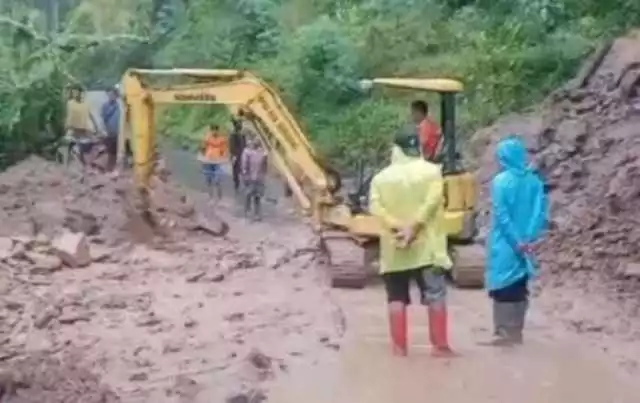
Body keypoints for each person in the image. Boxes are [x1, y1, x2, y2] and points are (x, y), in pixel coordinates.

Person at [369, 132, 454, 357]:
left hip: (395, 248)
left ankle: (399, 349)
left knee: (396, 297)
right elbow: (432, 202)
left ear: (395, 149)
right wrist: (413, 227)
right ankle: (440, 348)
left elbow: (376, 209)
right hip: (428, 248)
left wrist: (398, 228)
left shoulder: (380, 179)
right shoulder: (432, 172)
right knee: (435, 296)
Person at [485, 135, 548, 346]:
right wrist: (529, 238)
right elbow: (540, 212)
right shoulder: (535, 181)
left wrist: (516, 240)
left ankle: (503, 332)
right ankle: (516, 331)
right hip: (527, 243)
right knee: (520, 284)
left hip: (505, 242)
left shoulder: (500, 182)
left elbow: (502, 214)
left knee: (502, 283)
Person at [65, 85, 99, 171]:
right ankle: (68, 166)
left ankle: (86, 165)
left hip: (84, 129)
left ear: (81, 93)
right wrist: (67, 127)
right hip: (73, 129)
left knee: (89, 146)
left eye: (76, 92)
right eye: (73, 92)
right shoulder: (70, 103)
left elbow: (91, 115)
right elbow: (69, 116)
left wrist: (97, 127)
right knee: (71, 147)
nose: (75, 94)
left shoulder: (86, 104)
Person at [241, 137, 268, 221]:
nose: (256, 143)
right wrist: (245, 175)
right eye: (255, 141)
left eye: (258, 141)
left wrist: (263, 178)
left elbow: (265, 167)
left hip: (258, 178)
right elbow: (244, 165)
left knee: (256, 196)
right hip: (251, 177)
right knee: (248, 195)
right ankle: (248, 211)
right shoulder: (247, 152)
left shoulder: (263, 153)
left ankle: (255, 213)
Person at [200, 124, 228, 199]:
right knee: (208, 179)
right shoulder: (207, 138)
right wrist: (203, 160)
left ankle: (219, 197)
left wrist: (224, 159)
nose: (214, 132)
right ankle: (210, 196)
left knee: (217, 180)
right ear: (211, 130)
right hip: (208, 160)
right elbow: (202, 149)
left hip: (217, 161)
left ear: (218, 131)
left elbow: (224, 151)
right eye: (213, 130)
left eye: (216, 130)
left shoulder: (222, 139)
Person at [100, 86, 120, 172]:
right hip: (109, 132)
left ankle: (114, 168)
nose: (111, 96)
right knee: (109, 151)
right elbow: (103, 118)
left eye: (113, 95)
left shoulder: (120, 106)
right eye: (110, 95)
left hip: (118, 132)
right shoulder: (105, 106)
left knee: (116, 151)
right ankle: (108, 168)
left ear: (116, 96)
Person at [229, 117, 246, 193]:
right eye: (239, 124)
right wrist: (234, 155)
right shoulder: (233, 135)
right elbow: (232, 146)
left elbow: (244, 144)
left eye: (241, 124)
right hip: (236, 155)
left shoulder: (242, 134)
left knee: (242, 169)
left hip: (242, 154)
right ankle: (236, 183)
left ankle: (242, 183)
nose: (241, 125)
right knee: (236, 169)